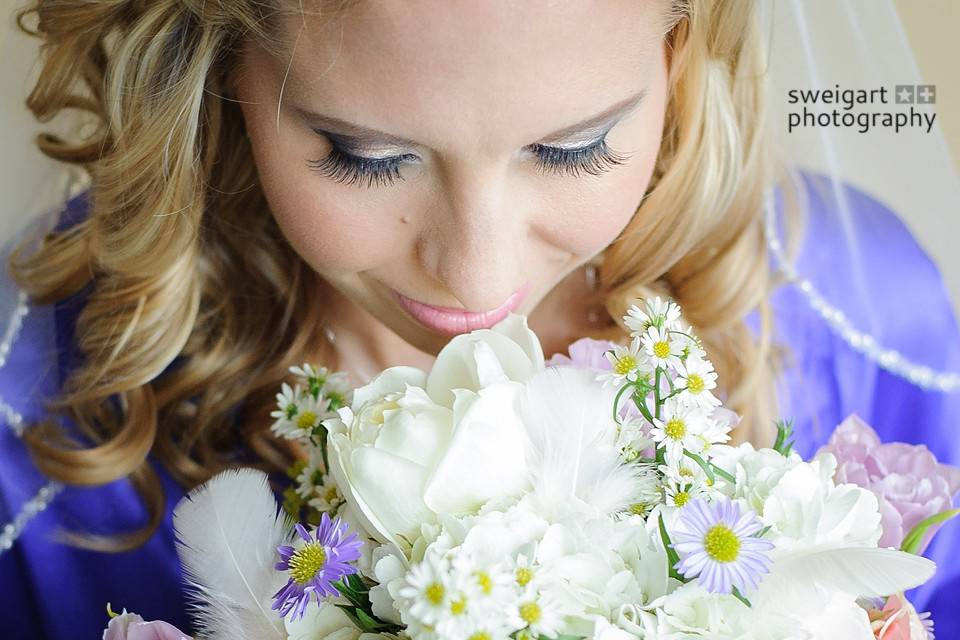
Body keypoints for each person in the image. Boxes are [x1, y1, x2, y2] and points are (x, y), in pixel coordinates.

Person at [0, 1, 957, 638]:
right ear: (223, 68)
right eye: (366, 157)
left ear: (678, 54)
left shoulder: (870, 319)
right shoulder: (36, 414)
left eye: (576, 147)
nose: (478, 276)